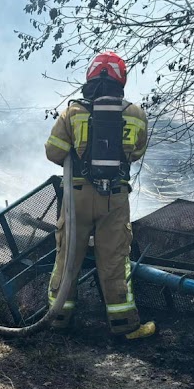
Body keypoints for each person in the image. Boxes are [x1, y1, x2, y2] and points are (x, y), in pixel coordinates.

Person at [44, 51, 154, 339]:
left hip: (77, 197)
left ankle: (58, 319)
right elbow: (136, 153)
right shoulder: (136, 114)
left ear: (90, 77)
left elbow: (53, 152)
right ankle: (125, 324)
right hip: (114, 198)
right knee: (115, 259)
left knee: (68, 257)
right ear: (121, 79)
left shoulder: (72, 113)